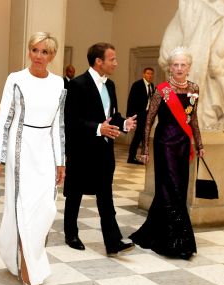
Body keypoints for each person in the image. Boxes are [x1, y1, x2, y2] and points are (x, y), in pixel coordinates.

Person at [0, 32, 66, 285]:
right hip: (19, 150)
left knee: (45, 209)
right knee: (22, 208)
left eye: (45, 52)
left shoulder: (58, 83)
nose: (39, 56)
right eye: (35, 50)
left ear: (52, 56)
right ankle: (27, 270)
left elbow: (58, 125)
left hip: (45, 151)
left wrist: (60, 161)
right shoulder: (16, 79)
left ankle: (24, 257)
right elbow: (3, 118)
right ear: (29, 51)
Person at [129, 46, 205, 260]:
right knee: (169, 186)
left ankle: (161, 232)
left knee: (179, 188)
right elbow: (148, 121)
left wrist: (199, 143)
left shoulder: (194, 89)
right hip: (164, 144)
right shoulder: (162, 90)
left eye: (183, 64)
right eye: (175, 64)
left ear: (189, 67)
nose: (179, 68)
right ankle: (174, 241)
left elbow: (194, 119)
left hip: (183, 144)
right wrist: (144, 148)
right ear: (170, 67)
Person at [64, 42, 137, 257]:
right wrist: (98, 128)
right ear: (99, 61)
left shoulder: (111, 85)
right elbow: (71, 120)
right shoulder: (77, 85)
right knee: (75, 193)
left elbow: (112, 115)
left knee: (106, 196)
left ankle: (113, 242)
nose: (116, 63)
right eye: (112, 59)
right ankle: (71, 234)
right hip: (82, 150)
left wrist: (123, 124)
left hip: (104, 152)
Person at [159, 0, 224, 132]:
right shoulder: (190, 5)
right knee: (212, 70)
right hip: (210, 21)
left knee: (219, 68)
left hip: (222, 21)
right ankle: (214, 116)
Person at [126, 67, 155, 164]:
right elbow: (131, 100)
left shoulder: (152, 86)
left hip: (147, 115)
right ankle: (131, 157)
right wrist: (130, 116)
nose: (149, 75)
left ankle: (142, 156)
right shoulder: (137, 85)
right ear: (143, 74)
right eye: (147, 73)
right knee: (138, 136)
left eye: (151, 74)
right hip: (139, 115)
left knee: (144, 136)